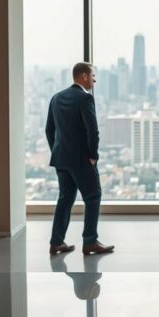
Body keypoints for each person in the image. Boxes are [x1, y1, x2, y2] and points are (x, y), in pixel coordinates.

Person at [46, 62, 114, 256]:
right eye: (92, 76)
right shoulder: (85, 99)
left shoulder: (56, 98)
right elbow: (93, 130)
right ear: (83, 76)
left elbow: (49, 129)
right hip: (81, 160)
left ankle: (56, 242)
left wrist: (57, 152)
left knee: (65, 199)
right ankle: (90, 241)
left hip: (61, 158)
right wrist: (93, 156)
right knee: (93, 196)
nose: (94, 79)